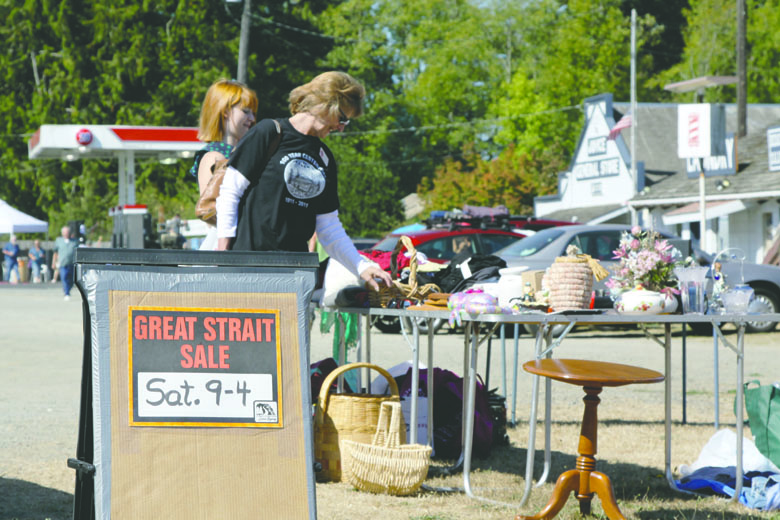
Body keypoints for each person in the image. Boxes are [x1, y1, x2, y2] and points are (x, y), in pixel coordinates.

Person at [215, 71, 391, 291]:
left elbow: (329, 226)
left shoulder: (324, 158)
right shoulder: (269, 132)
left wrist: (362, 266)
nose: (342, 127)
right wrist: (222, 256)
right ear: (326, 105)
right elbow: (230, 193)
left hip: (293, 274)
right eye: (343, 118)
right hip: (248, 267)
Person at [190, 79, 259, 250]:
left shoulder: (248, 153)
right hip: (225, 246)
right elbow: (210, 211)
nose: (252, 118)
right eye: (246, 111)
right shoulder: (213, 156)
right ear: (225, 111)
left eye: (253, 113)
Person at [52, 225, 79, 300]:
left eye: (68, 232)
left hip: (72, 263)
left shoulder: (75, 241)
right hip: (63, 264)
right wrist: (53, 262)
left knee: (71, 280)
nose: (67, 234)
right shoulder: (59, 241)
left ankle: (67, 289)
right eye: (65, 232)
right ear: (62, 233)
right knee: (64, 277)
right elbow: (55, 252)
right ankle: (66, 292)